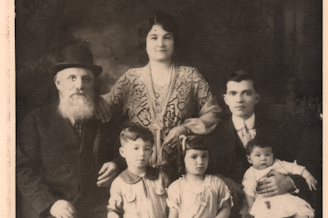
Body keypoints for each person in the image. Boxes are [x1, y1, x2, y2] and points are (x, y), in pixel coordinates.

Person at [101, 11, 221, 177]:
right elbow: (104, 107)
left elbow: (213, 113)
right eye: (154, 38)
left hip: (181, 171)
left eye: (167, 37)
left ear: (174, 41)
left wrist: (185, 128)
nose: (161, 43)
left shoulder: (190, 76)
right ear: (144, 42)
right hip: (138, 171)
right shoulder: (131, 78)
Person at [16, 45, 120, 218]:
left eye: (86, 79)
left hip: (97, 209)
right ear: (58, 83)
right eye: (72, 78)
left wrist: (117, 164)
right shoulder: (36, 120)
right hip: (53, 208)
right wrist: (50, 203)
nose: (79, 85)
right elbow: (23, 169)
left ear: (93, 84)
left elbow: (126, 150)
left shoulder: (104, 118)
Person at [209, 70, 308, 217]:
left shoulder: (279, 130)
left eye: (246, 93)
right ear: (225, 99)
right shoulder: (214, 134)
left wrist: (290, 182)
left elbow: (303, 165)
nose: (239, 100)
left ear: (257, 98)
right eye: (233, 93)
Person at [242, 137, 317, 218]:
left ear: (272, 155)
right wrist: (251, 208)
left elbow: (295, 168)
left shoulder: (279, 163)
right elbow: (249, 191)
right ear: (249, 159)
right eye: (258, 155)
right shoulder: (251, 173)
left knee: (300, 211)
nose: (263, 158)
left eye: (267, 154)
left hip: (285, 198)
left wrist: (308, 176)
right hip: (265, 202)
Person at [107, 125, 169, 218]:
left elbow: (173, 206)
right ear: (123, 152)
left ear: (151, 152)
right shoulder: (119, 183)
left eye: (146, 149)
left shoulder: (161, 177)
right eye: (136, 148)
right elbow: (113, 212)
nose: (141, 154)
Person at [167, 135, 233, 218]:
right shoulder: (176, 188)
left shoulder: (216, 183)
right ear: (182, 158)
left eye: (204, 156)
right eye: (194, 157)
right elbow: (173, 216)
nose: (200, 161)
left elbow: (226, 208)